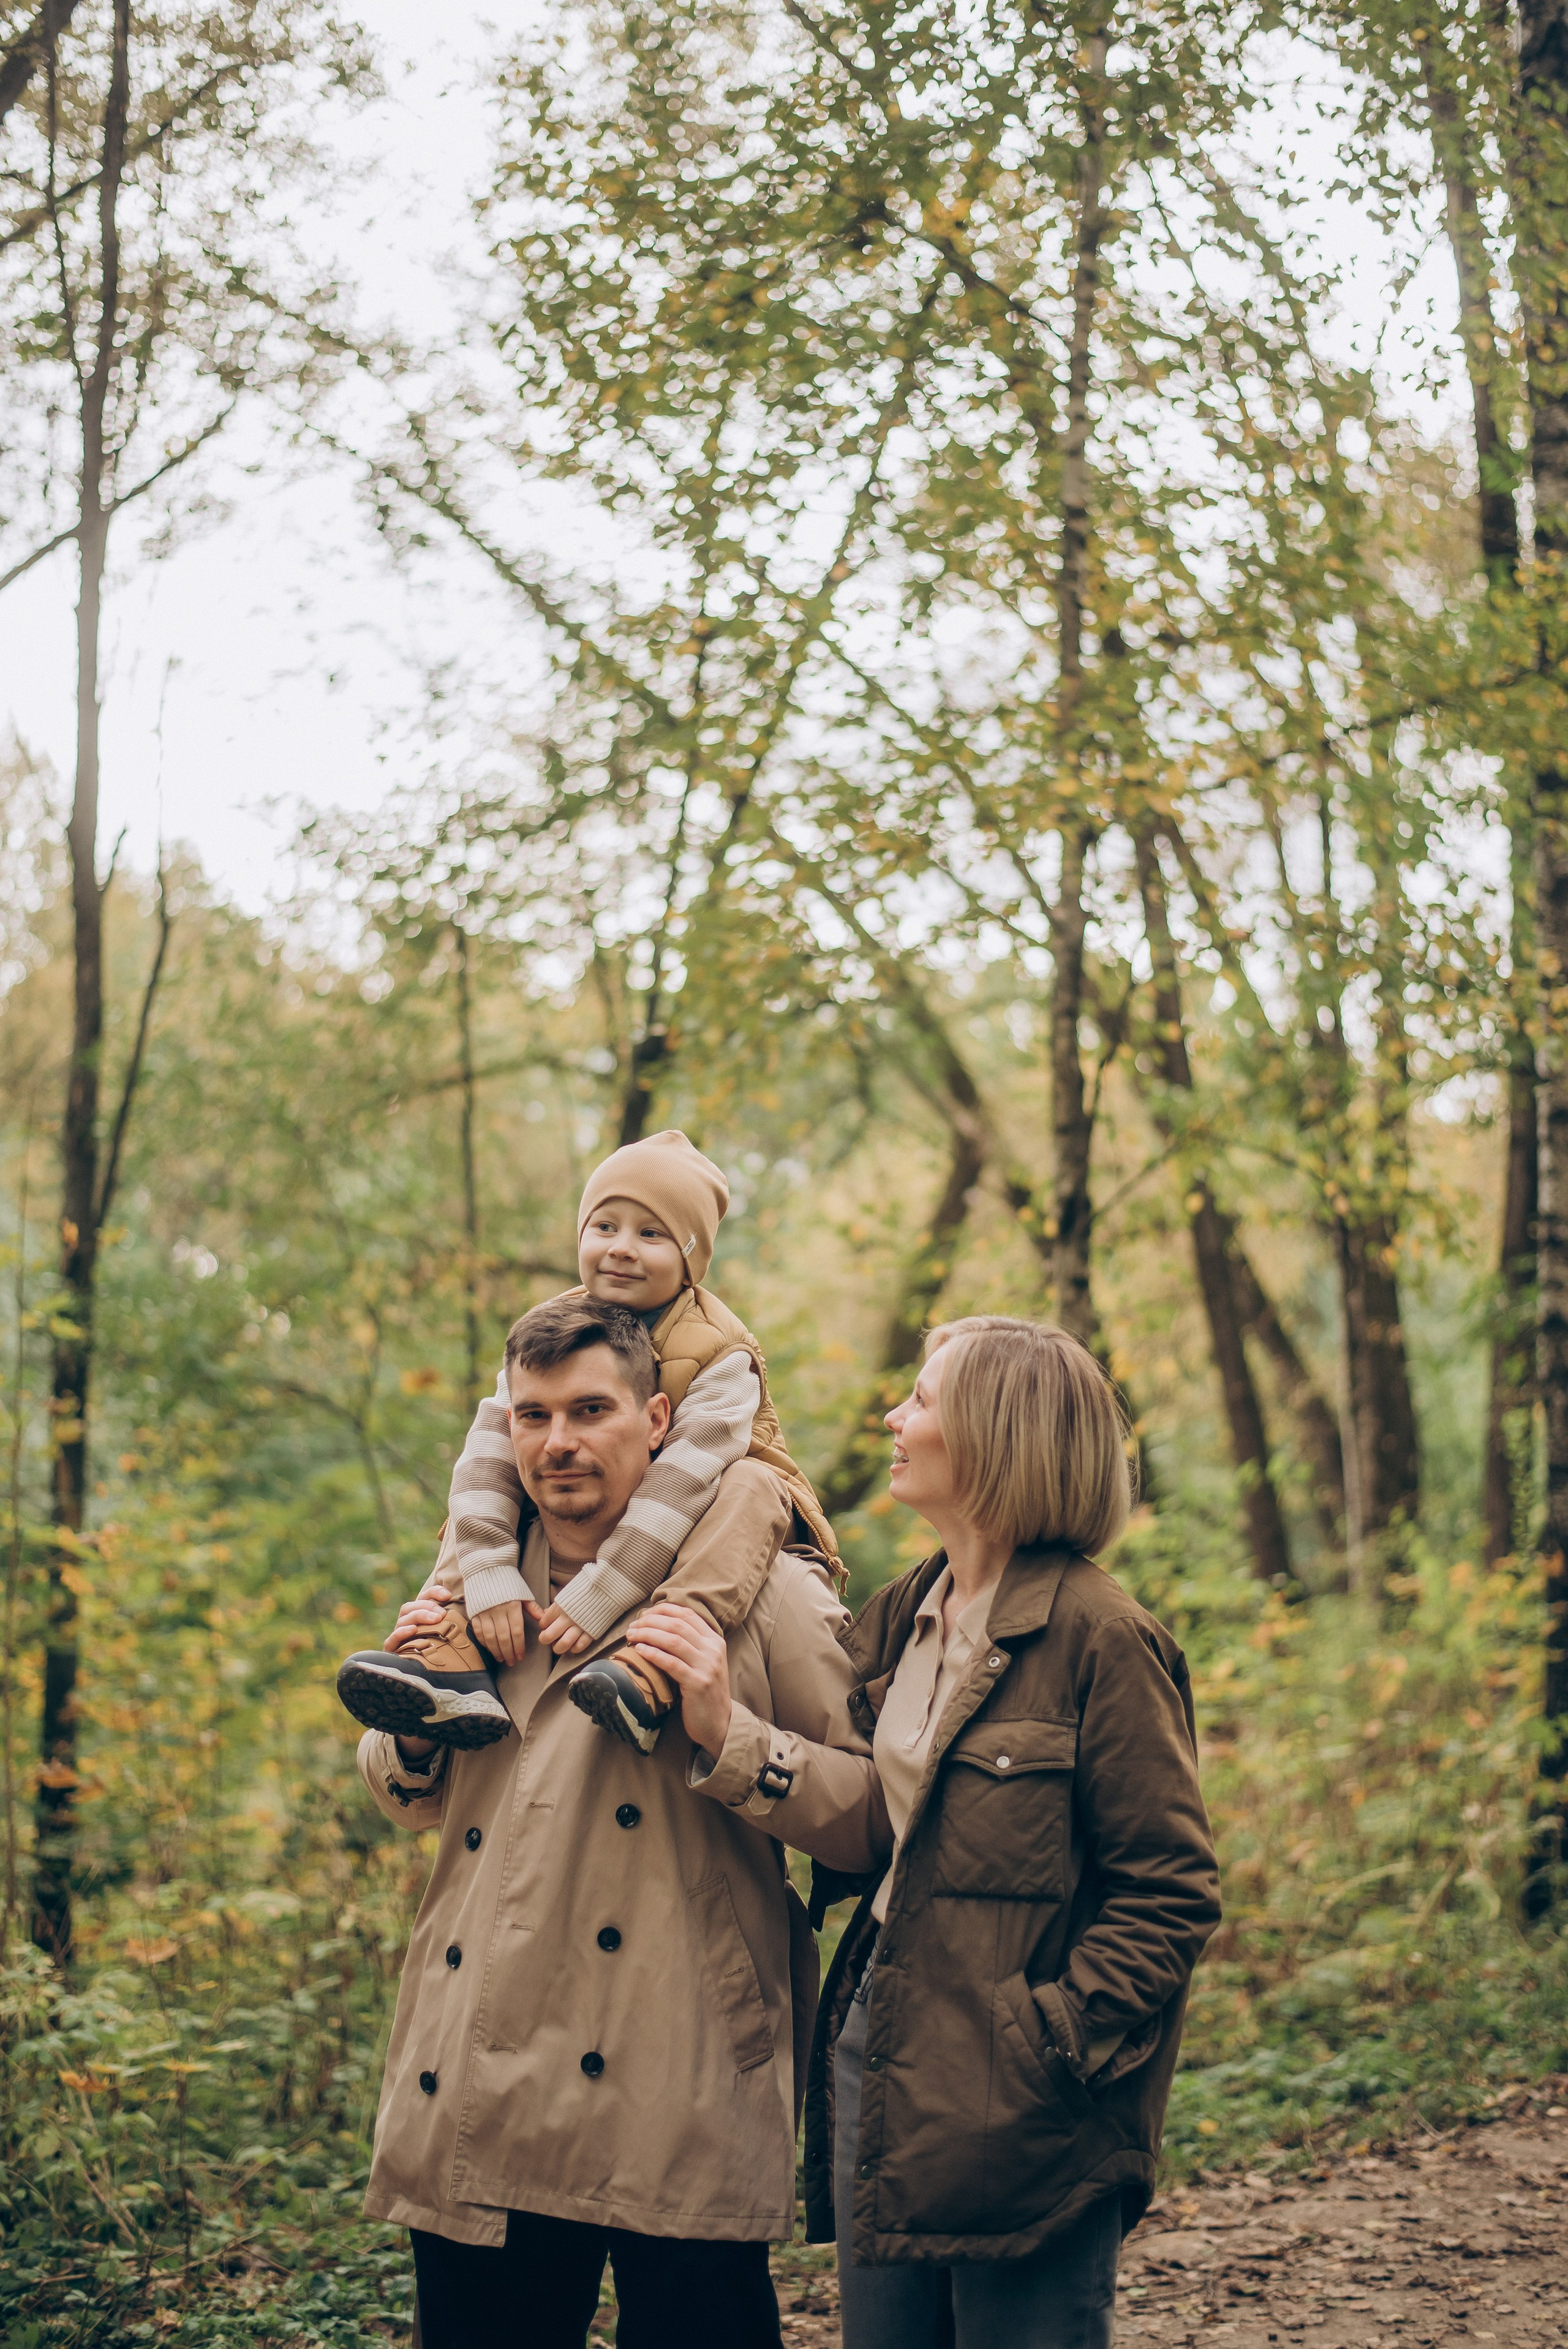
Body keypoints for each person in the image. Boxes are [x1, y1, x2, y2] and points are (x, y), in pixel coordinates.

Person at [655, 1314, 1223, 2349]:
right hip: (882, 2043)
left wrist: (1051, 2041)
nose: (893, 1416)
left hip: (1031, 2100)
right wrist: (723, 1733)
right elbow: (878, 1816)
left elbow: (1171, 1892)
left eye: (921, 1401)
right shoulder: (908, 1610)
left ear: (998, 1439)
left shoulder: (1107, 1641)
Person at [355, 1291, 888, 2349]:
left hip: (676, 2072)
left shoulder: (757, 1593)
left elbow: (876, 1822)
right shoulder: (472, 1585)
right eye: (533, 1415)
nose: (558, 1443)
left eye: (590, 1410)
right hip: (477, 2071)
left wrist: (729, 1736)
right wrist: (413, 1734)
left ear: (656, 1423)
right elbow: (410, 1799)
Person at [336, 1128, 839, 1754]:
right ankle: (449, 1649)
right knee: (488, 1486)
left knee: (750, 1488)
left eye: (650, 1234)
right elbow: (489, 1450)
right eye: (604, 1226)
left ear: (690, 1258)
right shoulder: (551, 1327)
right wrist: (488, 1575)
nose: (622, 1249)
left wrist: (605, 1590)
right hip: (626, 1499)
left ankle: (656, 1657)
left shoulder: (719, 1348)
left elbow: (685, 1479)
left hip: (726, 1500)